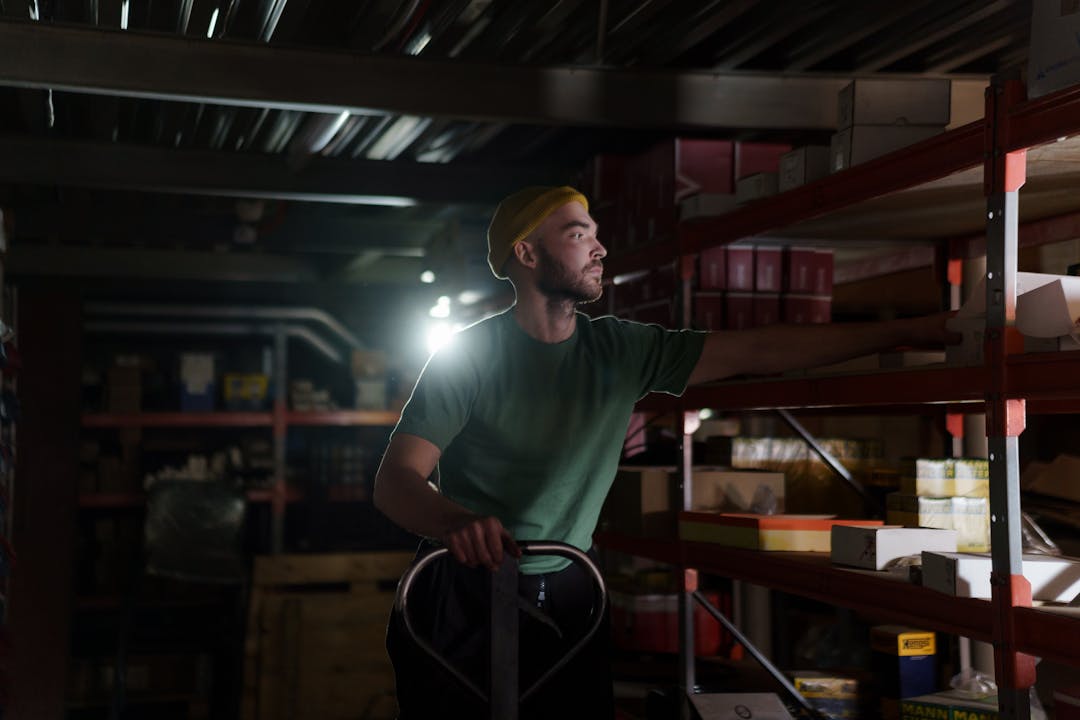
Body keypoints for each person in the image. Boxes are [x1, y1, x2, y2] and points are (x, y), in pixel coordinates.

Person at [374, 185, 956, 719]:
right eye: (577, 234)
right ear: (525, 254)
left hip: (572, 585)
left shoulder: (619, 350)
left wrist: (908, 331)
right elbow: (396, 479)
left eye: (596, 233)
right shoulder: (468, 358)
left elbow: (757, 350)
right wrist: (455, 521)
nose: (600, 248)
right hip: (463, 587)